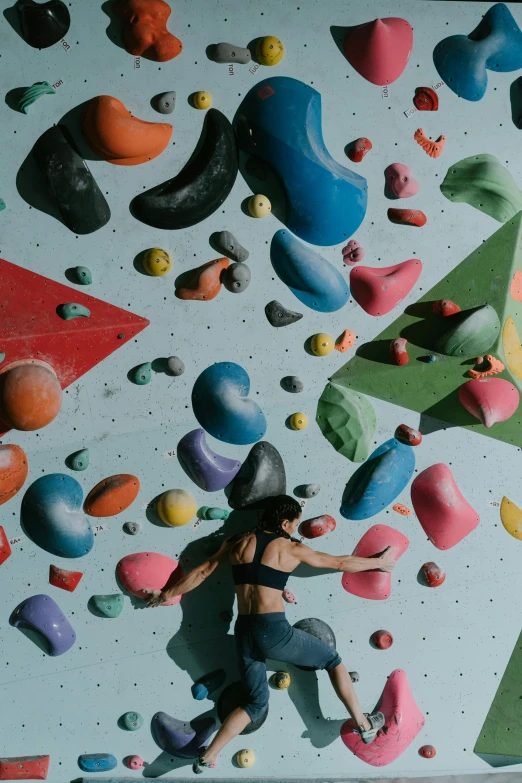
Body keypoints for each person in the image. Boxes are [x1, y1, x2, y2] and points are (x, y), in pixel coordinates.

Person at [146, 494, 396, 773]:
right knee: (332, 660)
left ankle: (207, 756)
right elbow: (337, 563)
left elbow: (202, 571)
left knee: (255, 703)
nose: (295, 529)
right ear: (285, 522)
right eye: (295, 524)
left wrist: (165, 593)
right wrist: (378, 563)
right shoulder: (288, 549)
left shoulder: (236, 542)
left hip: (243, 631)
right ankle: (363, 724)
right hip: (273, 630)